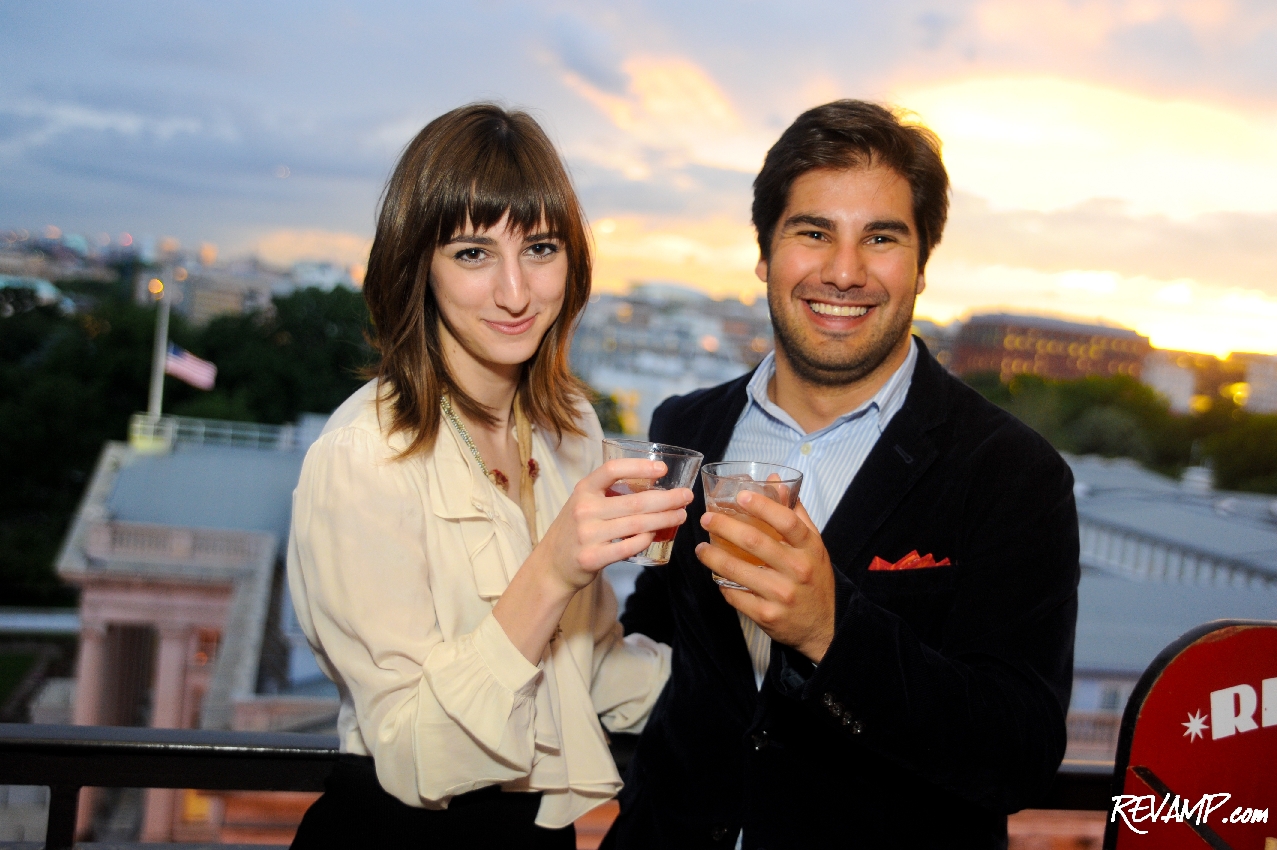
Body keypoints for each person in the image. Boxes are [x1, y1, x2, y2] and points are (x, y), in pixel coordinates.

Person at [604, 100, 1080, 849]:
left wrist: (831, 632)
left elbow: (1017, 755)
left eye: (881, 238)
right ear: (764, 253)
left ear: (921, 267)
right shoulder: (686, 427)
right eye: (813, 232)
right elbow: (661, 635)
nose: (844, 272)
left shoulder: (1012, 472)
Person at [286, 103, 688, 849]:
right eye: (473, 253)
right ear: (418, 267)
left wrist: (759, 671)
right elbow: (411, 753)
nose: (515, 291)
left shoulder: (570, 427)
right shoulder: (364, 456)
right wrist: (552, 568)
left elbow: (588, 664)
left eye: (540, 248)